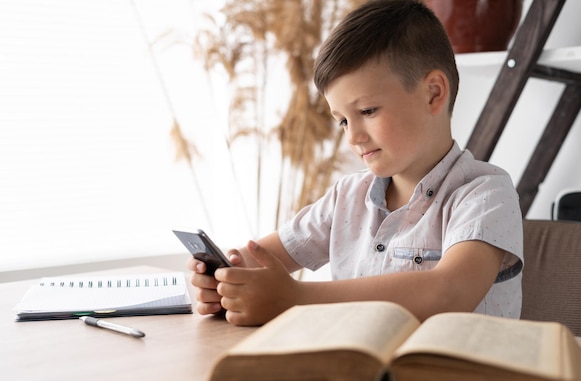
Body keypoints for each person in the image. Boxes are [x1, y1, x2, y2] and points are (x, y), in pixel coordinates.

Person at [188, 0, 523, 326]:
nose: (353, 137)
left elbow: (450, 291)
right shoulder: (346, 197)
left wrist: (295, 297)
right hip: (357, 375)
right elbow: (256, 259)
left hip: (457, 380)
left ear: (433, 94)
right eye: (343, 121)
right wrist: (225, 280)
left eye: (367, 112)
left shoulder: (485, 194)